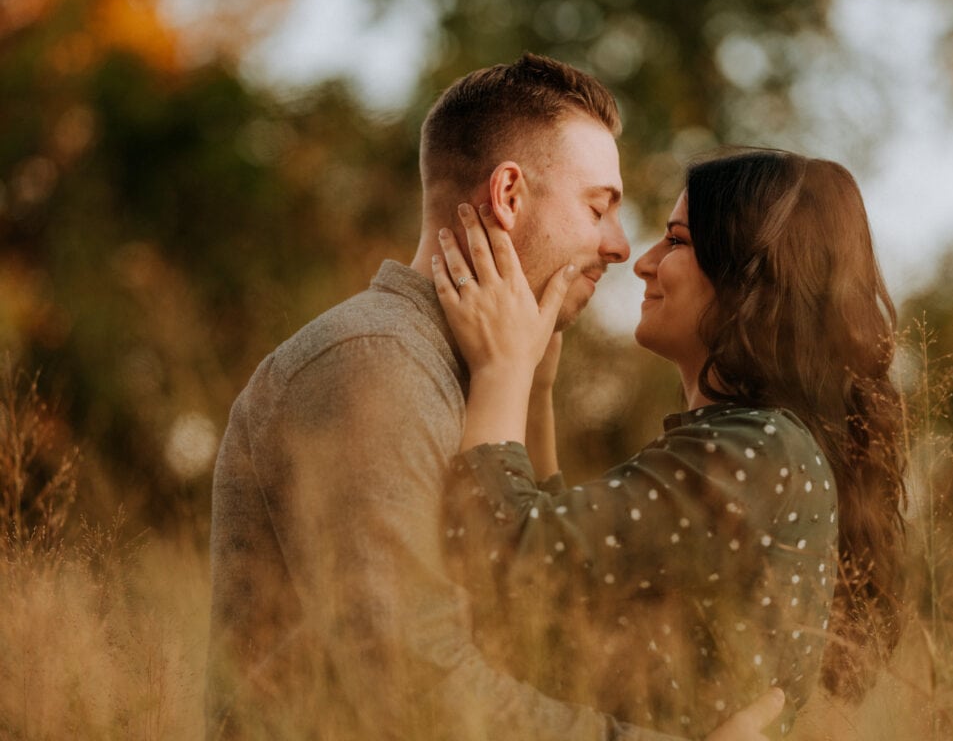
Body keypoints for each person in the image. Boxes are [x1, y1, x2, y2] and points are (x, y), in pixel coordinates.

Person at [206, 55, 783, 740]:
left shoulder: (463, 377)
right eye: (598, 207)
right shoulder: (373, 364)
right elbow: (408, 682)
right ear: (508, 195)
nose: (621, 247)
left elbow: (530, 627)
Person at [434, 149, 907, 739]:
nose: (644, 262)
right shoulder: (753, 447)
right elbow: (559, 595)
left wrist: (501, 371)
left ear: (750, 276)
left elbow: (497, 553)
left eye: (677, 242)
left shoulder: (759, 452)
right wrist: (534, 386)